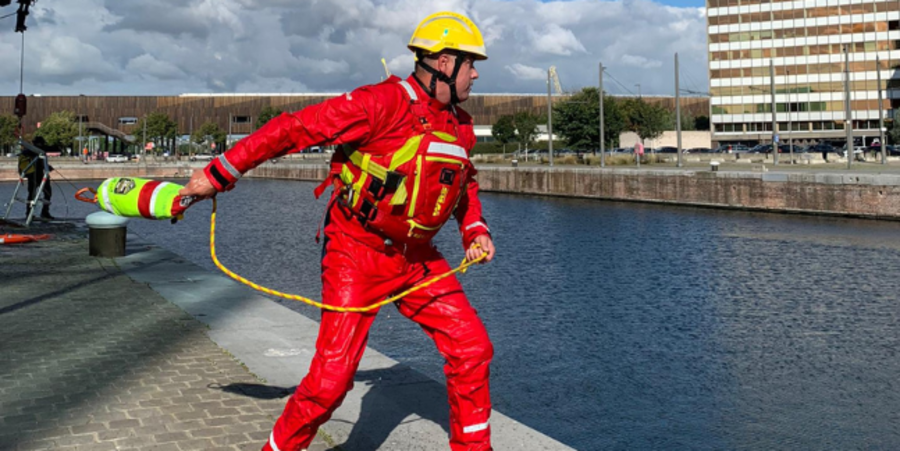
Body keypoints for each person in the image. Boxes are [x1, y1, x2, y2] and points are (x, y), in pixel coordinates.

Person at [179, 11, 496, 451]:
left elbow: (464, 185)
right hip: (356, 252)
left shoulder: (460, 125)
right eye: (471, 63)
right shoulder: (379, 104)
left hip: (418, 259)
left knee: (472, 349)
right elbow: (293, 129)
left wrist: (474, 230)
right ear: (444, 63)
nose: (476, 74)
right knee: (330, 382)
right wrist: (219, 173)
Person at [18, 138, 53, 220]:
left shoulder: (38, 151)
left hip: (41, 175)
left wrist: (48, 167)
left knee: (46, 193)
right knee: (32, 195)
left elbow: (42, 164)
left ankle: (44, 212)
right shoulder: (31, 151)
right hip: (33, 176)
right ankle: (30, 214)